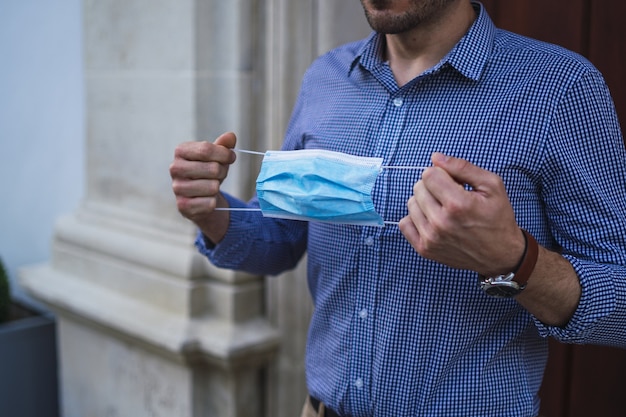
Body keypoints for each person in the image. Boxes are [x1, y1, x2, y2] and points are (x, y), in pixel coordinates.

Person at [170, 0, 626, 416]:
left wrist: (513, 259)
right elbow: (283, 241)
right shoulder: (325, 78)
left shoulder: (562, 88)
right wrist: (212, 213)